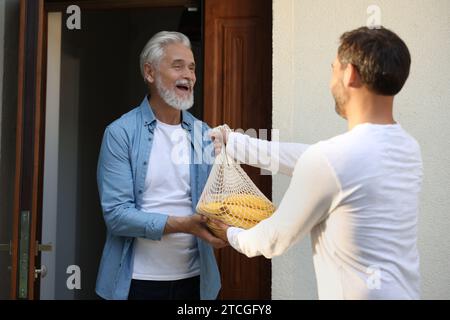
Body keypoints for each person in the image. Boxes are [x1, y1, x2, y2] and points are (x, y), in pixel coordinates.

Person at [210, 26, 422, 299]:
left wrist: (229, 233)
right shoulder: (407, 147)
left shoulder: (332, 160)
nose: (331, 81)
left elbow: (273, 238)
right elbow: (315, 159)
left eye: (333, 69)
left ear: (350, 74)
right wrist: (237, 143)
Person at [95, 31, 226, 300]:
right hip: (136, 284)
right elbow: (117, 216)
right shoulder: (120, 133)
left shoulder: (205, 134)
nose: (188, 75)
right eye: (177, 65)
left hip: (196, 283)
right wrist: (184, 224)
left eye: (192, 68)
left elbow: (215, 203)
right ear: (150, 73)